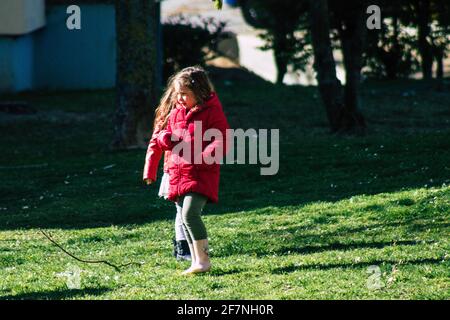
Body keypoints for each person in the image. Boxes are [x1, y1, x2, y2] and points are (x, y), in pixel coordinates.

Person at [144, 66, 230, 275]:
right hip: (178, 173)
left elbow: (222, 138)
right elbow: (160, 137)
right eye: (178, 94)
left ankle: (203, 260)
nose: (180, 98)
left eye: (185, 94)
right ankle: (196, 261)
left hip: (201, 172)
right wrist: (163, 144)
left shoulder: (212, 111)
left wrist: (204, 157)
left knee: (190, 213)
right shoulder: (175, 113)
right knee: (183, 216)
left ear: (199, 92)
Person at [143, 85, 191, 262]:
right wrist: (149, 172)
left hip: (193, 170)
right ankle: (182, 248)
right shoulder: (167, 116)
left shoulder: (196, 113)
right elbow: (155, 144)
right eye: (178, 95)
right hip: (173, 171)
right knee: (182, 210)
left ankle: (188, 246)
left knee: (190, 211)